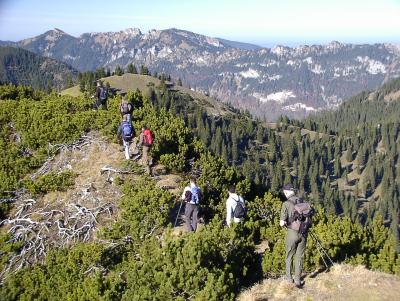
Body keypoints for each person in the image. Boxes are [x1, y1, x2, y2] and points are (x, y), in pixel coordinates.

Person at [279, 183, 307, 288]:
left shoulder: (286, 203)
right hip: (304, 233)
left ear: (286, 192)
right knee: (300, 256)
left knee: (289, 255)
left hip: (292, 233)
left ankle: (289, 278)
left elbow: (281, 223)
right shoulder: (301, 201)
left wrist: (285, 223)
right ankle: (298, 280)